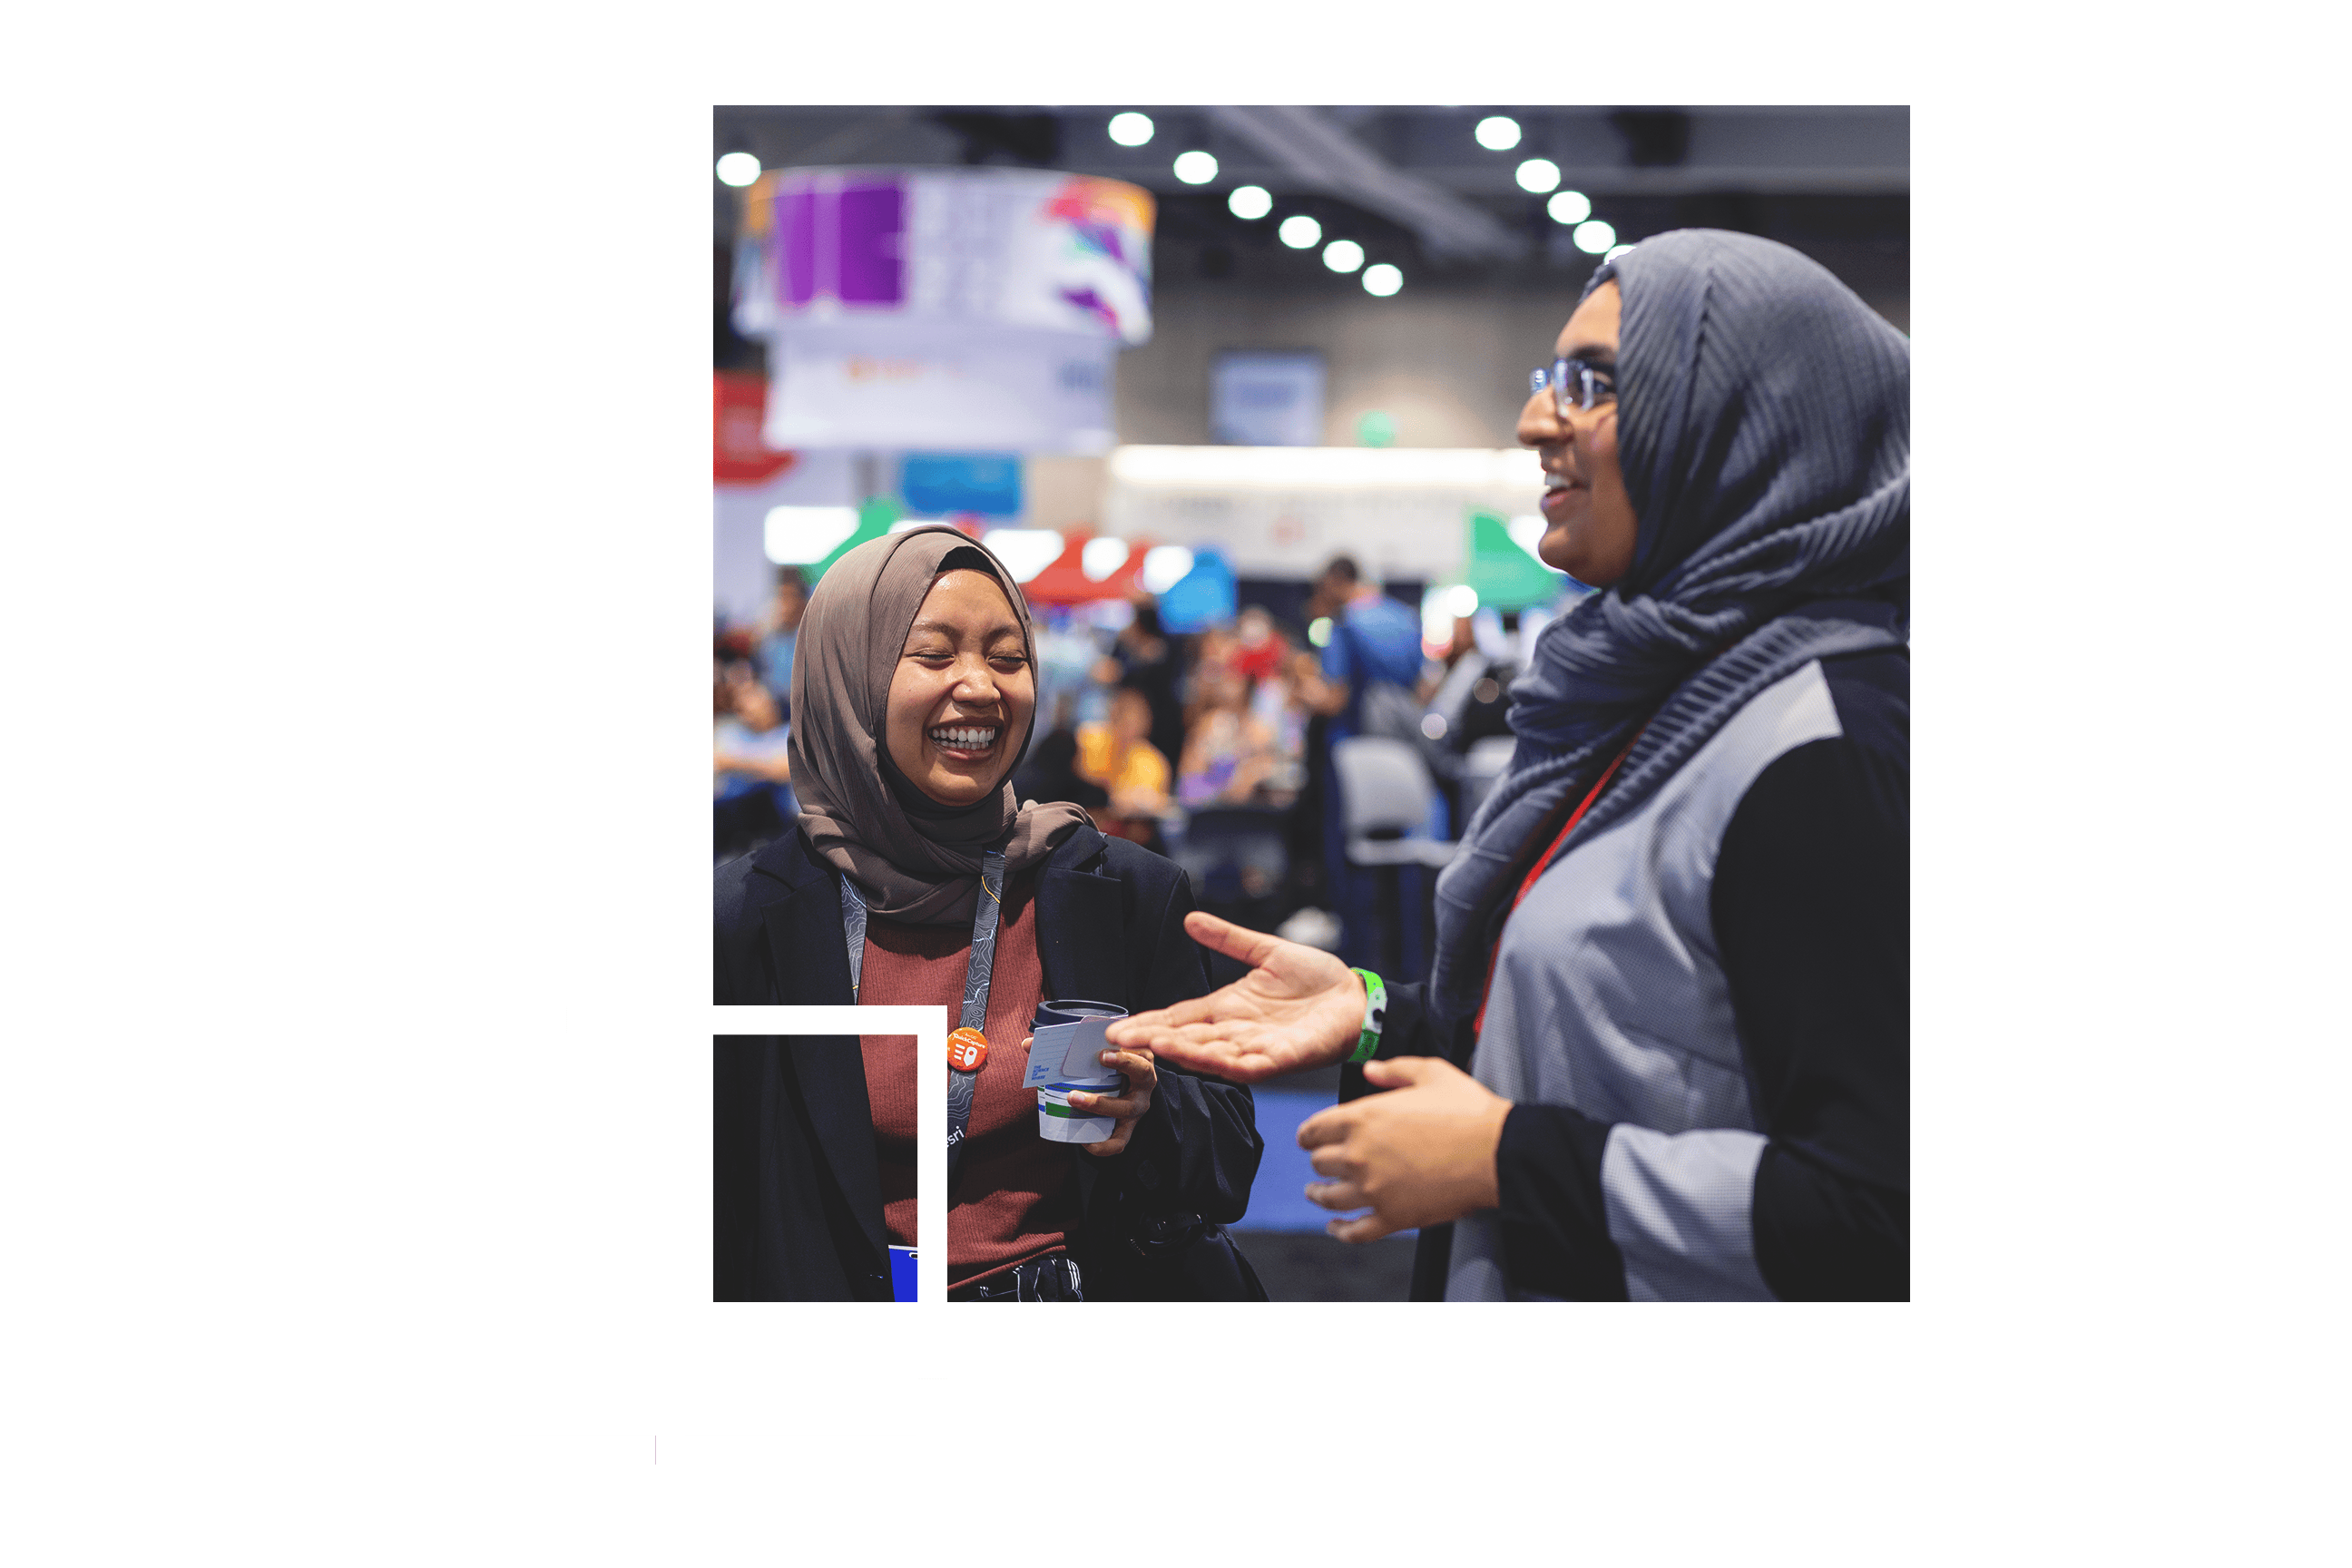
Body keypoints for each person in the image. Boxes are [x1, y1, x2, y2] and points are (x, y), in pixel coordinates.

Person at [1111, 230, 1909, 1301]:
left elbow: (1882, 1211)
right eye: (1548, 381)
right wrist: (1380, 1012)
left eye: (1596, 385)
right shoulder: (1665, 709)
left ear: (1743, 427)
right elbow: (1626, 1038)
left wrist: (1504, 1161)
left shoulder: (1819, 750)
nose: (1539, 421)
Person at [714, 525, 1265, 1302]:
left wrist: (1151, 1112)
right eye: (935, 655)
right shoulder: (745, 919)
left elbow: (1229, 1156)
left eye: (1008, 658)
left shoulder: (1119, 892)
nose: (980, 686)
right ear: (851, 678)